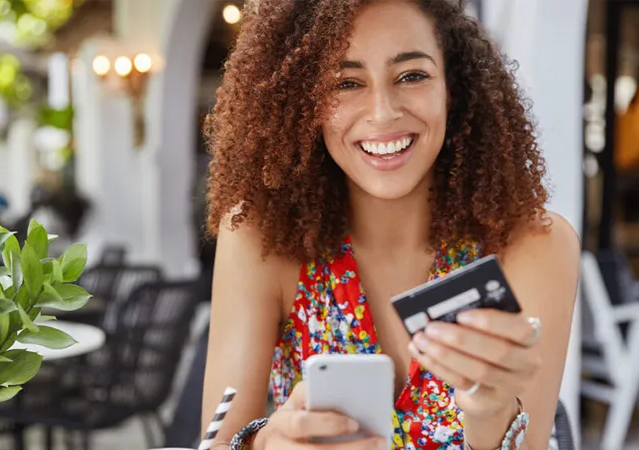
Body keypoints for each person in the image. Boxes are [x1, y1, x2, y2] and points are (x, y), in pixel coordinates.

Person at [202, 1, 580, 449]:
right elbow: (215, 441)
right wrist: (264, 444)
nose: (382, 113)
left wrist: (491, 408)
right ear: (304, 102)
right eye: (346, 83)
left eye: (412, 75)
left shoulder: (534, 245)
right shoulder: (259, 238)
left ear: (452, 87)